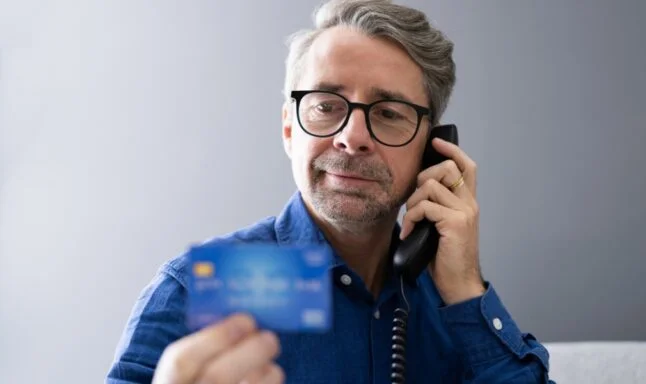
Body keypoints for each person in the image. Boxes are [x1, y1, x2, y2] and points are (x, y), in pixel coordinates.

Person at [107, 0, 554, 383]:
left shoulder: (454, 305)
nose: (352, 137)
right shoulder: (198, 290)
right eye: (325, 106)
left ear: (431, 148)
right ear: (289, 129)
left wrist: (465, 289)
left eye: (389, 113)